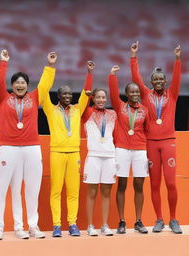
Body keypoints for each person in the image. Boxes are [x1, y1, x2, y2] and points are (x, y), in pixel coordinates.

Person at [0, 49, 57, 240]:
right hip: (8, 148)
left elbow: (45, 85)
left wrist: (50, 66)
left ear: (27, 86)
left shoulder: (34, 98)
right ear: (12, 86)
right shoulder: (3, 98)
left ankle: (32, 226)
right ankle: (1, 227)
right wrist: (3, 63)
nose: (20, 85)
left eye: (23, 83)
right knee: (5, 188)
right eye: (17, 83)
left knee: (32, 188)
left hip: (31, 148)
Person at [130, 41, 182, 234]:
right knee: (154, 183)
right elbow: (136, 77)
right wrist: (133, 56)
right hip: (151, 143)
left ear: (165, 81)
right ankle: (159, 219)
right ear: (151, 82)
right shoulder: (146, 95)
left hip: (168, 142)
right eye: (156, 80)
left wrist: (177, 59)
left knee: (170, 183)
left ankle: (174, 219)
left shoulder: (173, 94)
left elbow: (177, 77)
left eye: (162, 79)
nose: (159, 82)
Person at [42, 60, 95, 237]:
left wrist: (89, 73)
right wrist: (50, 67)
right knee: (56, 191)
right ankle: (57, 225)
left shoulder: (76, 109)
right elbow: (42, 91)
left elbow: (86, 94)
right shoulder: (50, 110)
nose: (67, 96)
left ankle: (72, 223)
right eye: (64, 94)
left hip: (74, 154)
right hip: (56, 153)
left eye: (69, 94)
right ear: (58, 96)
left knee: (73, 191)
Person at [109, 65, 148, 234]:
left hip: (140, 149)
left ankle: (139, 221)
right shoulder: (120, 106)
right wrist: (112, 76)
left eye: (137, 92)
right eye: (131, 92)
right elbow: (112, 93)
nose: (135, 94)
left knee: (139, 184)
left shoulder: (145, 110)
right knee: (122, 184)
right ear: (126, 94)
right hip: (122, 149)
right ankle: (122, 221)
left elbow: (148, 131)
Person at [82, 88, 117, 236]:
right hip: (94, 157)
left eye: (103, 97)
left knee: (106, 192)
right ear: (93, 99)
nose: (101, 100)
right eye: (98, 97)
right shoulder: (87, 113)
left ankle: (104, 225)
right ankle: (90, 225)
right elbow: (84, 98)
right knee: (91, 191)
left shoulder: (112, 114)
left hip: (109, 157)